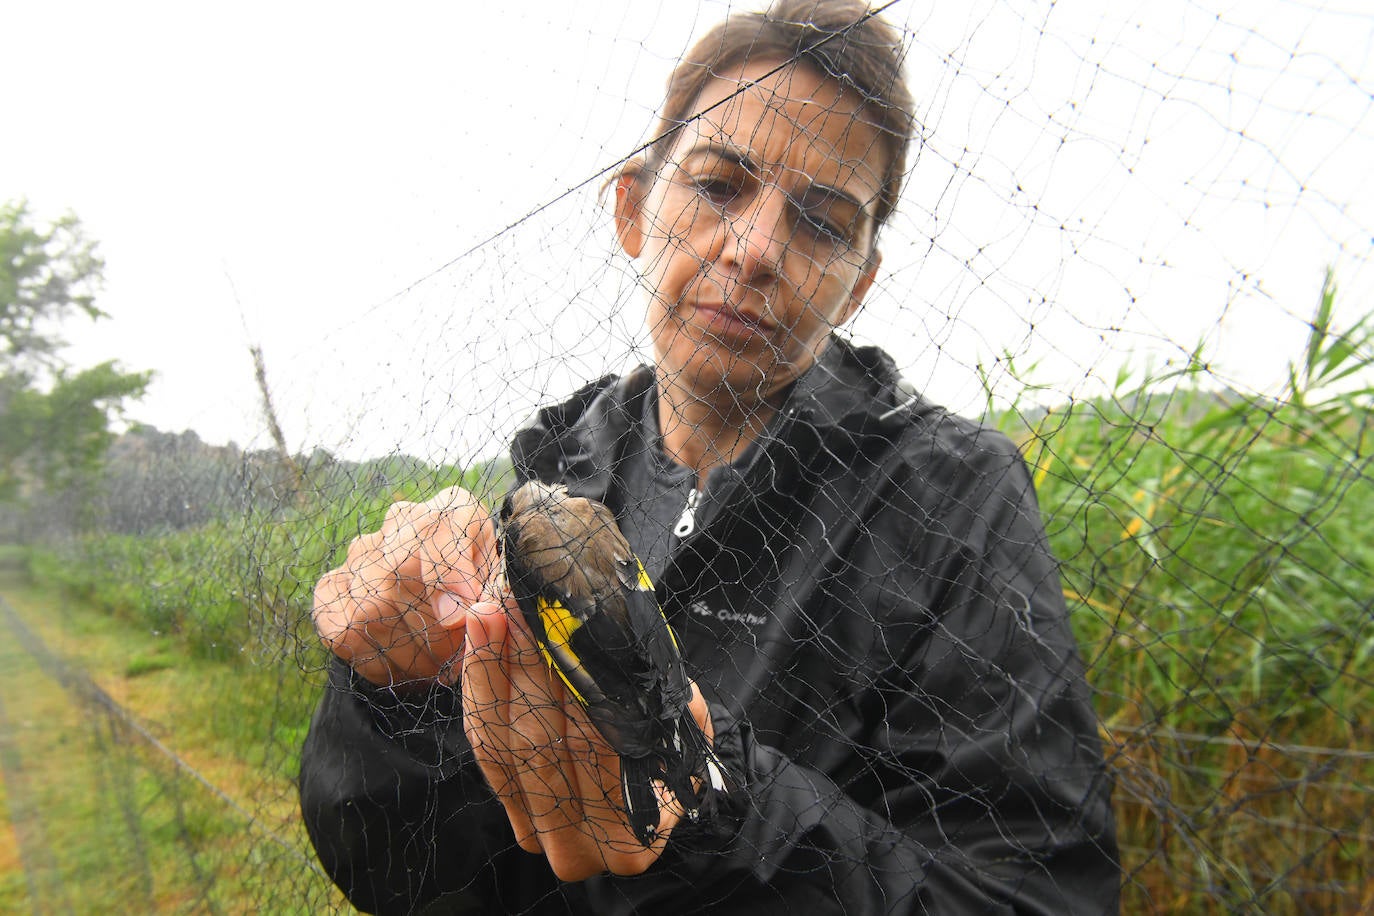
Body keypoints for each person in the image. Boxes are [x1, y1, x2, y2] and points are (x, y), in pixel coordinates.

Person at [298, 1, 1121, 913]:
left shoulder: (955, 498)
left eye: (822, 222)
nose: (757, 248)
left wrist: (707, 799)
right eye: (720, 184)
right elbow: (432, 878)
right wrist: (394, 703)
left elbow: (1034, 894)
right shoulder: (555, 480)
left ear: (860, 284)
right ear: (632, 210)